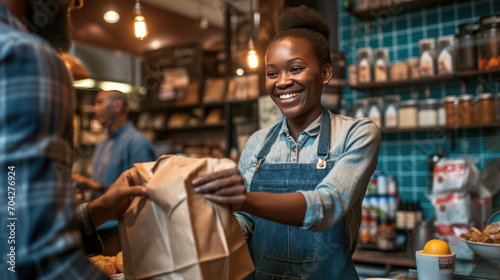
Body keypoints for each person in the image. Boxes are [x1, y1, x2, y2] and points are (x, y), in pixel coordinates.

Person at [192, 5, 381, 279]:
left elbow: (325, 206)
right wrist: (209, 224)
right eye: (272, 73)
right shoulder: (257, 143)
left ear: (326, 73)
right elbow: (244, 221)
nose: (282, 82)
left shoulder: (357, 134)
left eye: (295, 69)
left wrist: (242, 199)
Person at [0, 1, 147, 279]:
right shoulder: (24, 55)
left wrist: (98, 209)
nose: (77, 1)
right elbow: (36, 255)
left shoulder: (135, 142)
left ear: (117, 106)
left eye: (100, 101)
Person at [72, 90, 156, 197]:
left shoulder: (138, 143)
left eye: (99, 102)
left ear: (117, 105)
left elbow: (142, 190)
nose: (95, 109)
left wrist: (95, 186)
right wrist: (87, 186)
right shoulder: (101, 144)